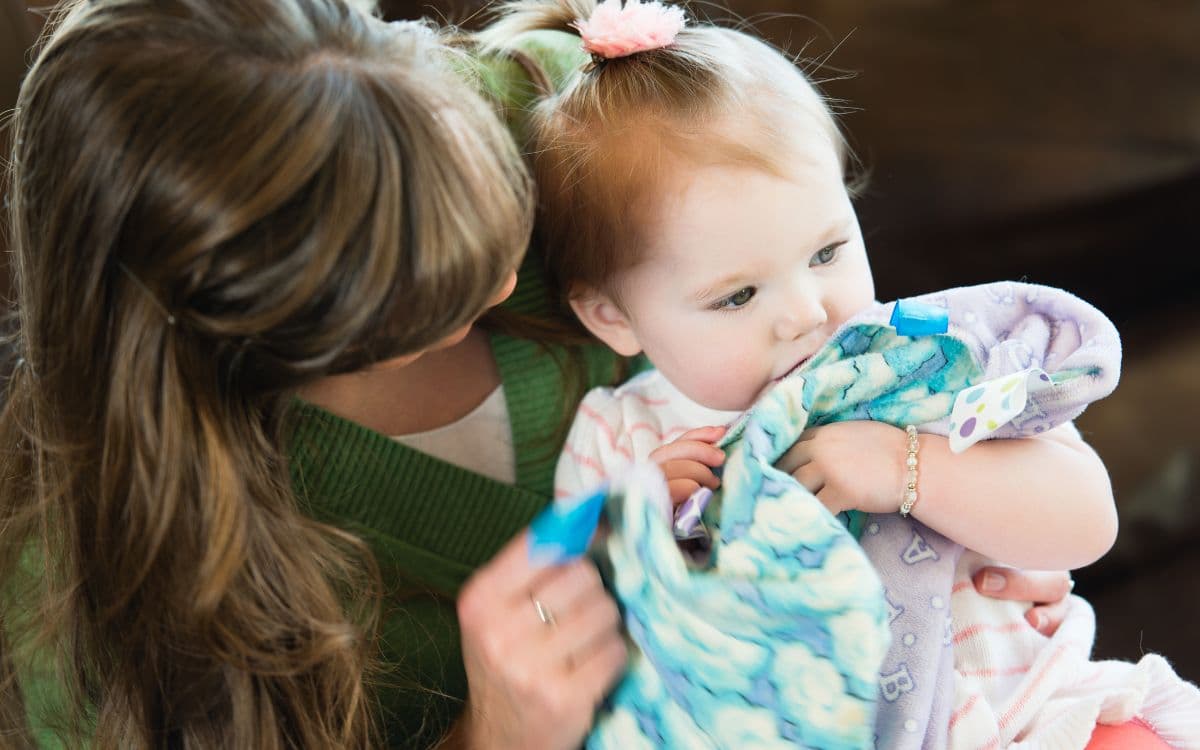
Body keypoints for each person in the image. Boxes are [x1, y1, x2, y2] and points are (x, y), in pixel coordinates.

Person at [0, 0, 1081, 747]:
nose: (509, 283)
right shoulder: (105, 609)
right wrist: (495, 737)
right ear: (227, 341)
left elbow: (822, 270)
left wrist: (946, 495)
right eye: (413, 304)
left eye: (501, 219)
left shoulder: (579, 121)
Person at [478, 0, 1200, 747]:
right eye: (738, 295)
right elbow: (582, 650)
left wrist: (909, 467)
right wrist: (641, 534)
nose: (805, 312)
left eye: (826, 253)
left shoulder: (917, 362)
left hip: (1029, 715)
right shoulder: (621, 442)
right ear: (613, 319)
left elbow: (1089, 519)